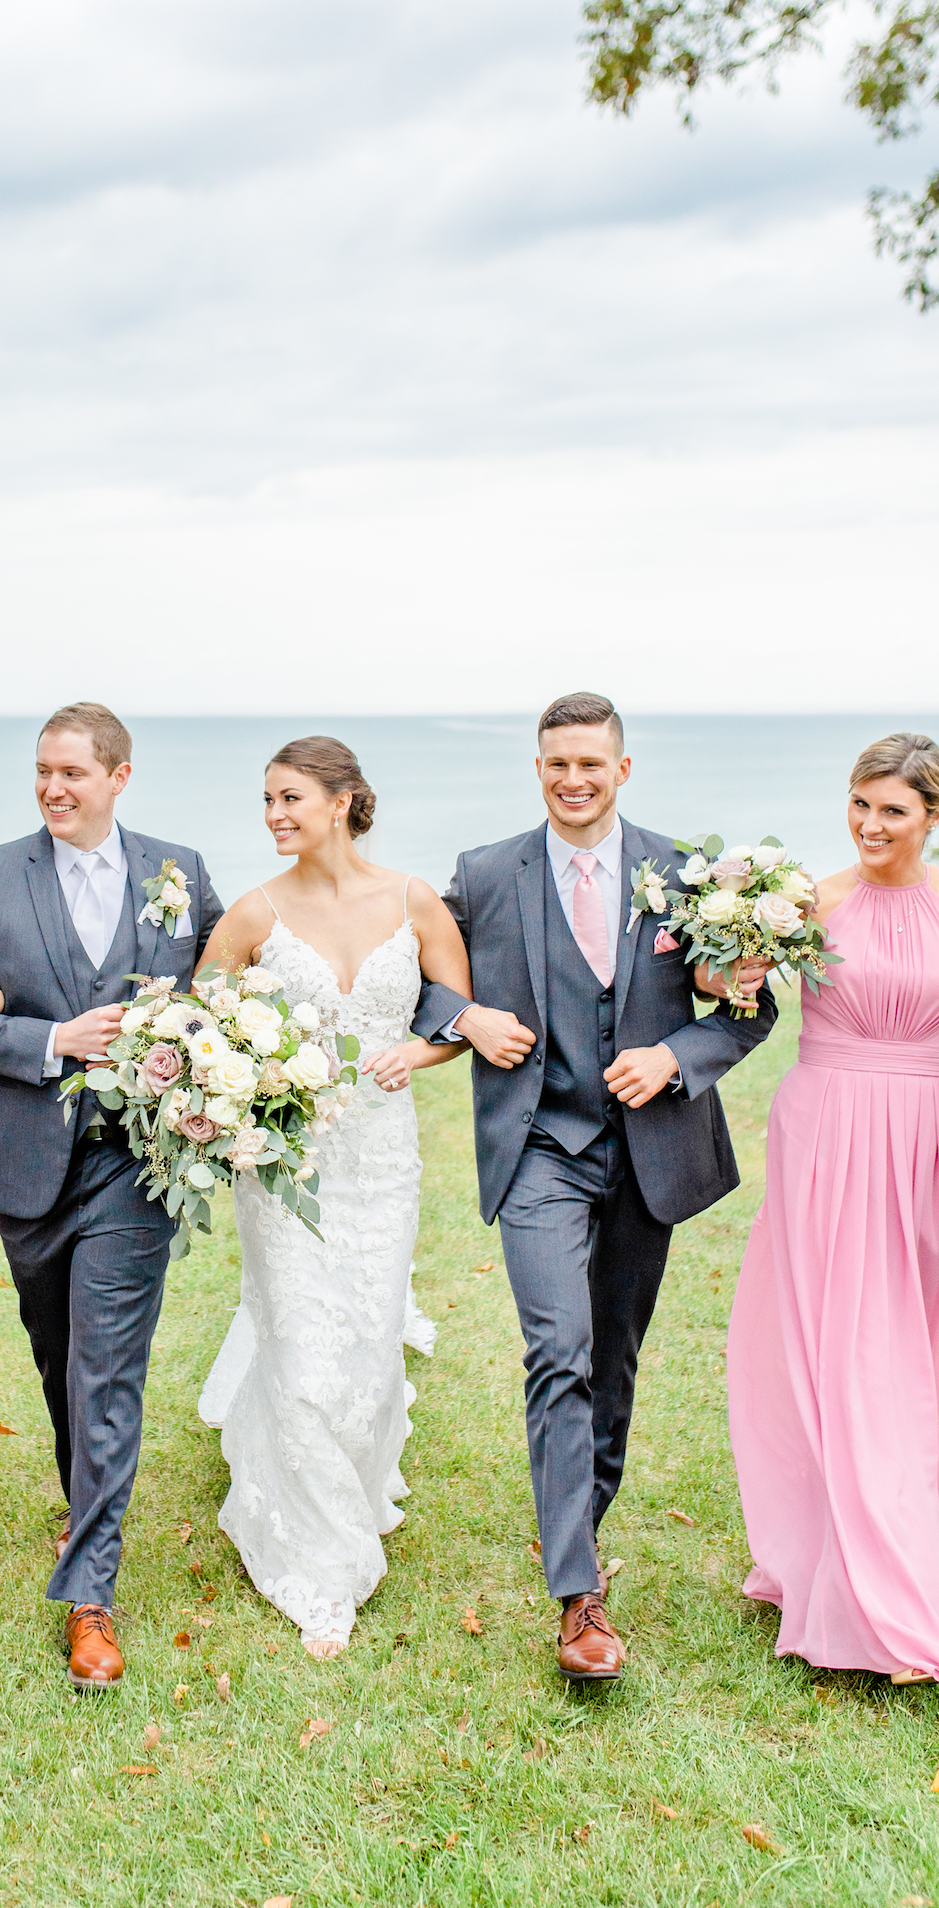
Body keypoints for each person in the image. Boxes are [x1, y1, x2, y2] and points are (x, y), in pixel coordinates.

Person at [414, 691, 776, 1684]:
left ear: (623, 770)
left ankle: (579, 1528)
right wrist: (466, 1020)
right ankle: (578, 1597)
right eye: (555, 764)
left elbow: (751, 1007)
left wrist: (674, 1053)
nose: (572, 780)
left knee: (610, 1360)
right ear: (538, 769)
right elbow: (419, 978)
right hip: (540, 1147)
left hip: (649, 1154)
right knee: (558, 1351)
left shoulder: (687, 878)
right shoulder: (487, 874)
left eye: (590, 764)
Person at [0, 702, 223, 1691]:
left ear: (119, 777)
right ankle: (84, 1490)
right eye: (42, 772)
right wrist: (52, 1041)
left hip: (138, 1166)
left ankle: (91, 1592)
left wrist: (208, 1078)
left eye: (72, 774)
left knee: (107, 1365)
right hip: (28, 1163)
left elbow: (222, 997)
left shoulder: (178, 874)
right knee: (60, 1356)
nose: (53, 789)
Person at [193, 737, 469, 1657]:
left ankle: (357, 1475)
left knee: (370, 1329)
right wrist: (251, 1077)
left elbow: (453, 1017)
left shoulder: (413, 899)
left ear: (346, 801)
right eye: (266, 799)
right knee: (305, 1340)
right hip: (288, 1164)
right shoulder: (253, 913)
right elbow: (202, 1028)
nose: (274, 814)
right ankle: (318, 1560)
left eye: (291, 797)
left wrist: (417, 1051)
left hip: (385, 1158)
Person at [728, 733, 939, 1683]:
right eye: (860, 803)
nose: (870, 825)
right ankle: (847, 1567)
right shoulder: (810, 900)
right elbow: (731, 991)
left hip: (925, 1135)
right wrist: (720, 969)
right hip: (825, 1131)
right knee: (837, 1341)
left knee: (912, 1340)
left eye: (893, 809)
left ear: (932, 818)